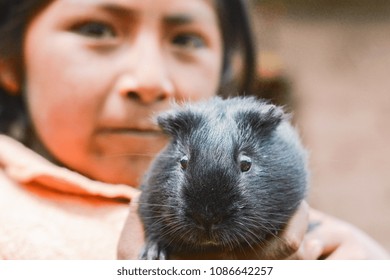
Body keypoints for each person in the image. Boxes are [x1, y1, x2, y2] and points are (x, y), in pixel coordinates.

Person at [0, 0, 388, 260]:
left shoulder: (306, 225)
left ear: (224, 70)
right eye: (97, 30)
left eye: (186, 39)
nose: (150, 81)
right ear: (10, 60)